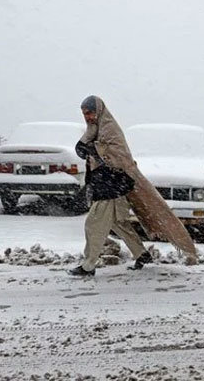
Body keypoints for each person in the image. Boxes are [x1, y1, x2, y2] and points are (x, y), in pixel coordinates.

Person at [68, 96, 153, 276]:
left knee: (93, 225)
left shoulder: (109, 128)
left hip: (110, 184)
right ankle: (141, 254)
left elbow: (118, 155)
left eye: (90, 113)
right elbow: (85, 147)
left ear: (98, 110)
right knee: (118, 223)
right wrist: (86, 146)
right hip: (109, 184)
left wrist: (94, 150)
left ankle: (88, 266)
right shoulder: (95, 128)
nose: (88, 117)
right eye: (84, 114)